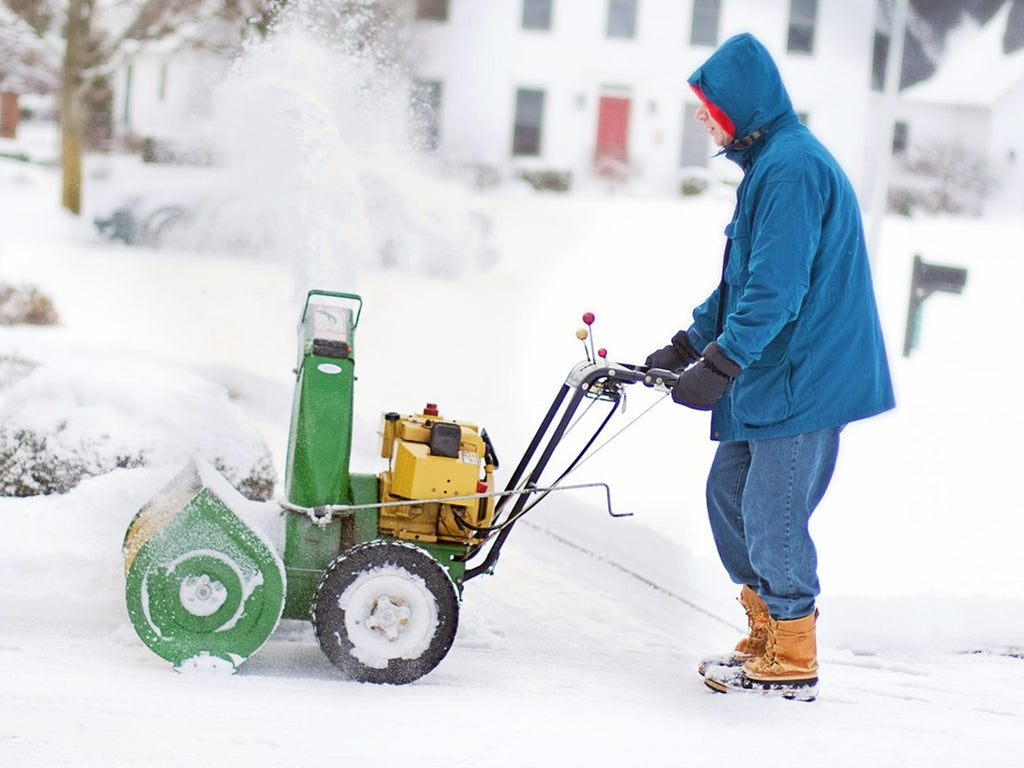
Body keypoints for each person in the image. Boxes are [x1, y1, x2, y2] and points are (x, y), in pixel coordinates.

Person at [644, 33, 895, 701]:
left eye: (709, 106)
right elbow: (745, 281)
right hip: (778, 366)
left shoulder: (791, 170)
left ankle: (792, 656)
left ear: (742, 105)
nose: (701, 116)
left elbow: (776, 290)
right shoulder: (771, 164)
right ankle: (768, 630)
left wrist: (722, 362)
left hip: (807, 373)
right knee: (729, 493)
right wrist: (690, 343)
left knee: (771, 510)